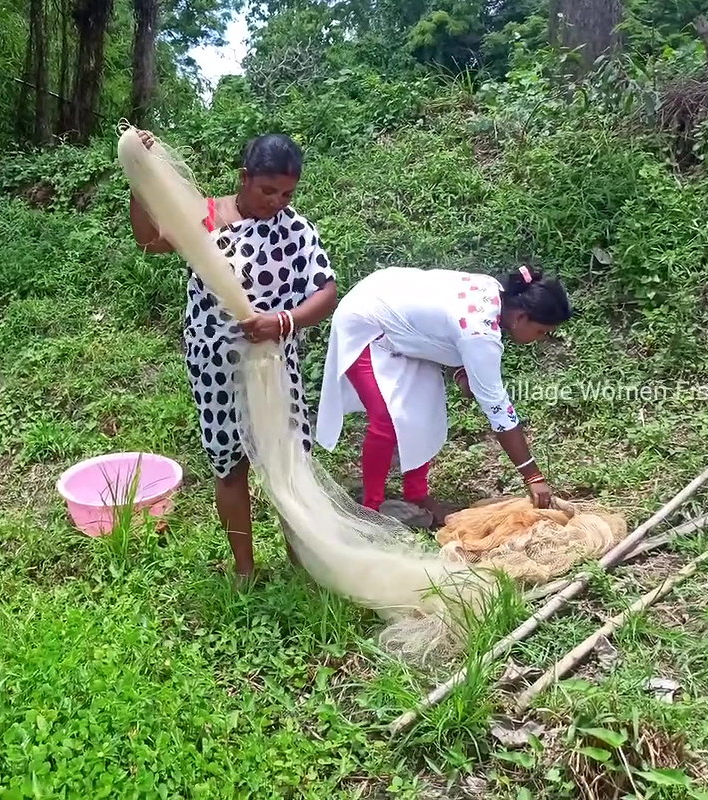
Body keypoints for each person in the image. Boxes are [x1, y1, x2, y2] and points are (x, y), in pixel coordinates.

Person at [128, 130, 338, 582]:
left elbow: (326, 291)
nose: (277, 202)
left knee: (286, 461)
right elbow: (149, 241)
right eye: (268, 190)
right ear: (244, 179)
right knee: (230, 464)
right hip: (216, 366)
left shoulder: (296, 229)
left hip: (275, 365)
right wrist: (140, 176)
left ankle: (300, 560)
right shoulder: (203, 217)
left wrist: (282, 322)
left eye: (287, 193)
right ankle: (244, 569)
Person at [314, 266, 573, 525]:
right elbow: (498, 409)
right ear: (520, 317)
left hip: (396, 313)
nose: (539, 339)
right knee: (387, 420)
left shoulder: (494, 294)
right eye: (540, 331)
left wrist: (461, 370)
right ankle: (372, 509)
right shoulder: (480, 332)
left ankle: (416, 495)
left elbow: (440, 329)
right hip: (368, 319)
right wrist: (533, 477)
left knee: (423, 410)